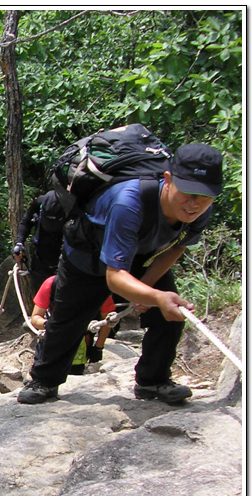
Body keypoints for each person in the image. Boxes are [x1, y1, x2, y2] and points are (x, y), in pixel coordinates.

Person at [18, 143, 223, 405]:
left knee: (170, 315)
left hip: (138, 251)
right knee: (69, 320)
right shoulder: (128, 201)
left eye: (205, 196)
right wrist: (155, 296)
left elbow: (178, 246)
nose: (195, 204)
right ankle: (44, 380)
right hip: (87, 254)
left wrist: (148, 290)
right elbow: (114, 277)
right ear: (168, 180)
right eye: (188, 193)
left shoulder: (200, 210)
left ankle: (153, 380)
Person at [30, 274, 115, 375]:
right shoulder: (52, 284)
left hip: (80, 346)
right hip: (51, 342)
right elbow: (35, 318)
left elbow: (107, 320)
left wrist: (98, 347)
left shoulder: (98, 287)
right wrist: (51, 325)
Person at [13, 190, 67, 293]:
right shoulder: (40, 203)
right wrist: (19, 243)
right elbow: (26, 222)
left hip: (64, 263)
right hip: (41, 262)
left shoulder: (72, 207)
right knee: (41, 298)